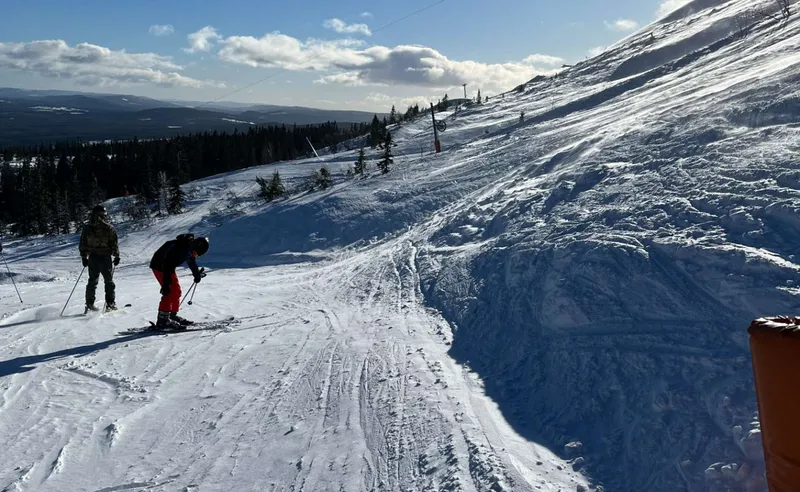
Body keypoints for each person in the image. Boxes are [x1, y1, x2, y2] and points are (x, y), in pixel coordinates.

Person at [149, 233, 209, 329]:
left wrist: (196, 273)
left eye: (197, 255)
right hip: (160, 266)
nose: (195, 255)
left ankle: (172, 316)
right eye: (195, 253)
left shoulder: (189, 248)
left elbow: (191, 260)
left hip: (168, 267)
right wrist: (165, 284)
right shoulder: (181, 249)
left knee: (176, 291)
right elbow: (167, 264)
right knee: (169, 291)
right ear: (194, 247)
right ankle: (163, 320)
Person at [79, 205, 120, 313]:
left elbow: (83, 243)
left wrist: (84, 257)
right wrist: (116, 256)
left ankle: (89, 304)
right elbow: (114, 243)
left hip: (93, 257)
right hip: (104, 257)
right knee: (109, 281)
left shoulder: (87, 228)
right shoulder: (108, 228)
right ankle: (110, 304)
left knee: (92, 281)